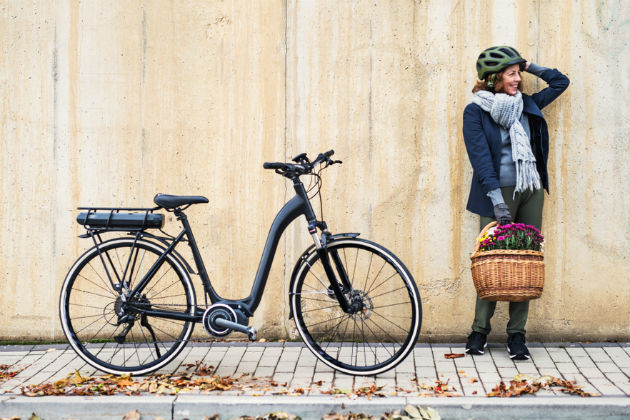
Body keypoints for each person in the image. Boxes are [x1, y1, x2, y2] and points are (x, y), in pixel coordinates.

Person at [462, 46, 569, 359]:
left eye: (518, 72)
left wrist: (530, 64)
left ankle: (516, 335)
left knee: (526, 258)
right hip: (499, 192)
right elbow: (480, 158)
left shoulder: (529, 103)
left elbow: (561, 82)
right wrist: (496, 201)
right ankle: (479, 331)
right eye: (511, 73)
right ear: (494, 78)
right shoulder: (476, 111)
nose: (517, 78)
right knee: (491, 259)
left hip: (531, 188)